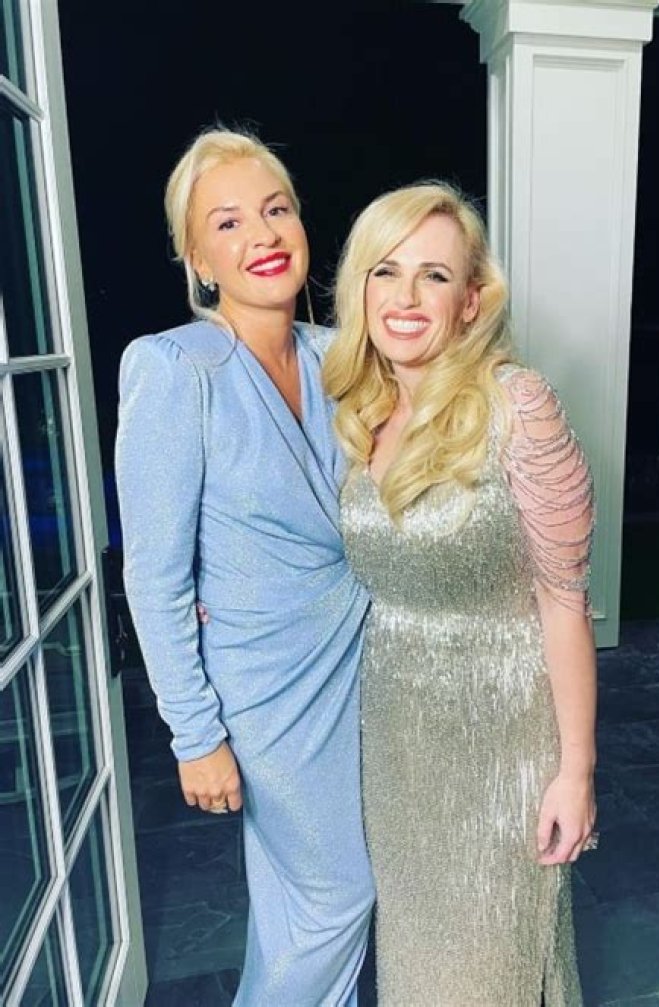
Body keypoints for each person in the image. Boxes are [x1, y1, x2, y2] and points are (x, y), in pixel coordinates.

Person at [115, 128, 374, 1006]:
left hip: (363, 669)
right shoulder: (173, 368)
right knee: (340, 894)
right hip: (264, 696)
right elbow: (154, 577)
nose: (261, 235)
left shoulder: (341, 355)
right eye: (227, 222)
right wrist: (195, 735)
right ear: (199, 259)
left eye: (276, 209)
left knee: (299, 909)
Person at [323, 181, 597, 1006]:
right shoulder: (359, 412)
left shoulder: (518, 406)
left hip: (503, 746)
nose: (406, 296)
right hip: (397, 746)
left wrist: (575, 770)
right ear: (361, 288)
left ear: (471, 300)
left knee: (489, 972)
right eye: (386, 270)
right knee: (415, 965)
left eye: (434, 275)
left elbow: (564, 601)